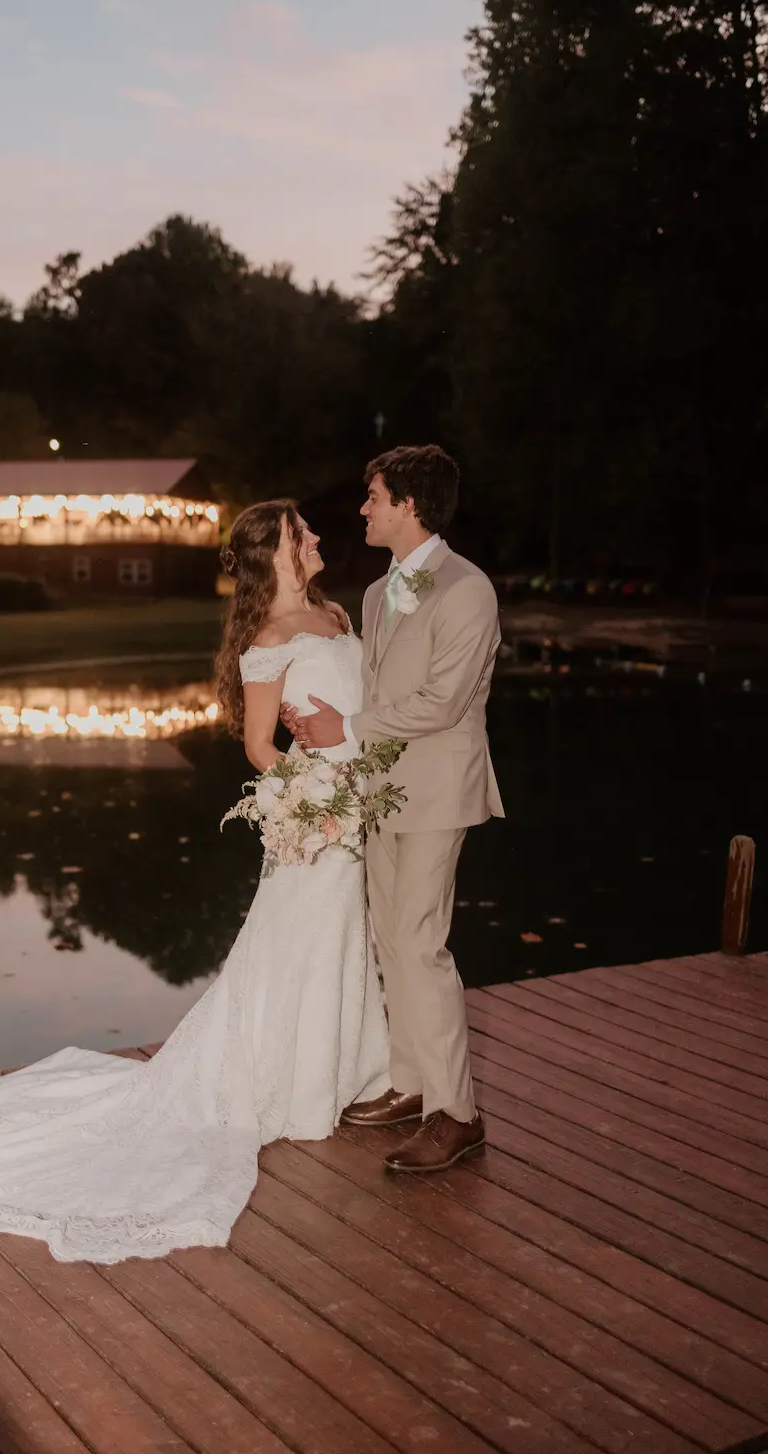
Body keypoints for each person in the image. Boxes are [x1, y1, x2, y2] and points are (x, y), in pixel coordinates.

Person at [0, 499, 390, 1264]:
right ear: (272, 553)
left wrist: (357, 782)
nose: (316, 538)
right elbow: (258, 745)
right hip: (320, 815)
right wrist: (313, 800)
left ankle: (348, 1068)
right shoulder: (268, 638)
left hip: (360, 806)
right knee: (297, 943)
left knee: (345, 939)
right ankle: (290, 1081)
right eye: (300, 533)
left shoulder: (336, 617)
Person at [283, 445, 503, 1173]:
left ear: (409, 505)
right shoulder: (378, 593)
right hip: (378, 792)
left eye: (374, 497)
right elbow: (376, 689)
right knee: (389, 940)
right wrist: (319, 727)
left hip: (438, 790)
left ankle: (456, 1114)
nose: (363, 509)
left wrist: (345, 730)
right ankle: (411, 1084)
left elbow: (442, 703)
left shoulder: (467, 589)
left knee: (419, 942)